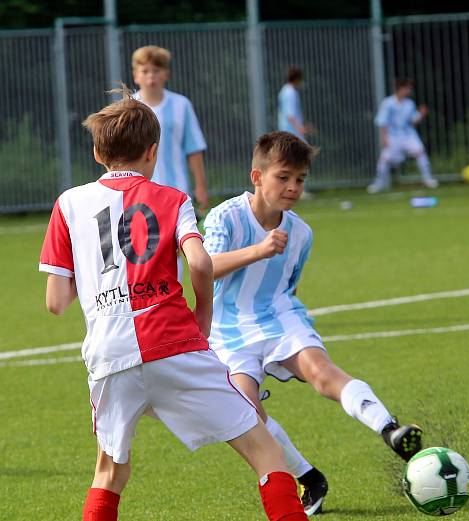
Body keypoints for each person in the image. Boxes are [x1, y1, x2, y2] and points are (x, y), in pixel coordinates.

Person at [38, 89, 307, 521]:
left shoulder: (68, 204)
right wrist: (203, 315)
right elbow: (199, 261)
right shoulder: (173, 198)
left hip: (110, 355)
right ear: (153, 151)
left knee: (109, 473)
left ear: (95, 151)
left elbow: (56, 302)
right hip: (175, 344)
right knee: (264, 449)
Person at [203, 132, 424, 475]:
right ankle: (308, 476)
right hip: (228, 330)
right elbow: (205, 269)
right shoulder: (225, 216)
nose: (293, 186)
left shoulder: (301, 234)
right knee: (246, 413)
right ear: (257, 177)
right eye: (283, 177)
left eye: (300, 179)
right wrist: (259, 250)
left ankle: (390, 429)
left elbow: (287, 287)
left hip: (278, 317)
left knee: (322, 373)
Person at [132, 45, 209, 211]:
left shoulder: (182, 105)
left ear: (166, 73)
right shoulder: (128, 107)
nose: (151, 76)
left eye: (156, 70)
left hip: (175, 189)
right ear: (136, 75)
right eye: (145, 71)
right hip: (138, 191)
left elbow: (193, 148)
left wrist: (200, 186)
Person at [368, 78, 438, 193]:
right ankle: (379, 183)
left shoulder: (409, 104)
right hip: (393, 136)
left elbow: (413, 121)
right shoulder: (388, 103)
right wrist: (384, 137)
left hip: (408, 135)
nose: (409, 91)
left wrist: (421, 114)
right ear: (400, 88)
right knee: (385, 159)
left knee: (420, 151)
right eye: (407, 88)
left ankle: (428, 178)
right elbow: (382, 121)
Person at [277, 66, 312, 141]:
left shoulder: (284, 90)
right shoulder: (290, 93)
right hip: (292, 133)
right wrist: (300, 128)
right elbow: (290, 115)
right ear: (297, 79)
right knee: (305, 151)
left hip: (286, 131)